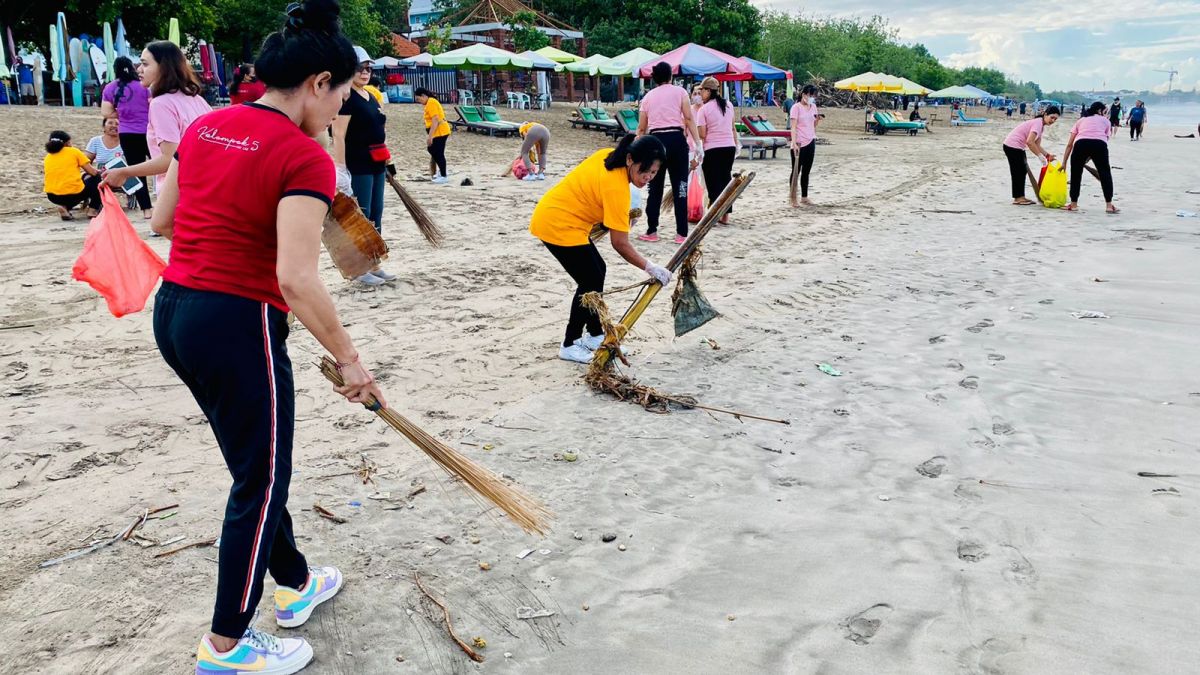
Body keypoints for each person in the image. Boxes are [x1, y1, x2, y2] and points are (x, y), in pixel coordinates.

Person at [150, 2, 382, 672]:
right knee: (262, 476)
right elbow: (297, 279)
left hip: (175, 312)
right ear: (317, 83)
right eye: (341, 95)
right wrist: (351, 361)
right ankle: (225, 645)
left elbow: (165, 219)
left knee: (256, 466)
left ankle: (297, 581)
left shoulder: (208, 124)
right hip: (236, 321)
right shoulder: (304, 157)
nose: (340, 109)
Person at [530, 134, 673, 363]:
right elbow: (620, 244)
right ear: (629, 160)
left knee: (598, 271)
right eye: (644, 170)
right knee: (589, 280)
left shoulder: (607, 156)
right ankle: (570, 343)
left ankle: (595, 334)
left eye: (654, 173)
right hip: (557, 223)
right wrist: (651, 267)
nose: (648, 177)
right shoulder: (618, 189)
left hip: (565, 218)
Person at [104, 41, 212, 212]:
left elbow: (170, 159)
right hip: (205, 186)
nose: (139, 69)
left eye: (145, 64)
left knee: (162, 226)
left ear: (164, 67)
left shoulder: (161, 103)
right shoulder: (195, 98)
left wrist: (124, 172)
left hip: (181, 189)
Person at [636, 61, 702, 244]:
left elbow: (641, 128)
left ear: (654, 78)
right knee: (680, 188)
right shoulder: (680, 92)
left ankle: (652, 231)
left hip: (656, 142)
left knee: (655, 188)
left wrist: (638, 148)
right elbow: (688, 118)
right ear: (670, 76)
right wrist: (698, 143)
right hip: (677, 140)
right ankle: (681, 233)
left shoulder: (648, 97)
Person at [100, 55, 154, 219]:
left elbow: (106, 112)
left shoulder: (110, 88)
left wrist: (122, 114)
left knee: (136, 171)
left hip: (127, 133)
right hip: (149, 131)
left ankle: (146, 210)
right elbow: (154, 106)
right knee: (164, 166)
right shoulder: (144, 86)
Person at [1060, 101, 1117, 214]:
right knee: (1105, 174)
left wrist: (1064, 162)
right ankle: (1109, 205)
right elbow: (1105, 139)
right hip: (1100, 145)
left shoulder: (1081, 120)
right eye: (1105, 111)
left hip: (1081, 144)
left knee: (1076, 174)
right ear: (1100, 110)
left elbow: (1070, 144)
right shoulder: (1106, 121)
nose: (1106, 114)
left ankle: (1073, 204)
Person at [695, 76, 737, 225]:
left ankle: (716, 214)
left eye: (701, 91)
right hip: (729, 147)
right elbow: (732, 127)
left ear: (708, 91)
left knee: (713, 183)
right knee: (726, 180)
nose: (700, 95)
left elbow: (702, 134)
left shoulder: (704, 109)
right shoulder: (729, 105)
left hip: (713, 148)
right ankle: (725, 216)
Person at [1001, 105, 1060, 205]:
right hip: (1012, 146)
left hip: (1017, 147)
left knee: (1022, 170)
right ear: (1045, 114)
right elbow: (1030, 142)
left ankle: (1021, 196)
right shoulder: (1038, 123)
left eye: (1055, 119)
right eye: (1052, 117)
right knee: (1018, 171)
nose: (1053, 120)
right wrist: (1040, 156)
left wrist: (1047, 155)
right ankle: (1018, 198)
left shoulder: (1041, 126)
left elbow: (1037, 145)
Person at [43, 130, 101, 219]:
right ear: (66, 143)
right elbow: (92, 172)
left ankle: (65, 208)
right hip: (73, 193)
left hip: (52, 195)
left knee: (71, 189)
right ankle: (93, 209)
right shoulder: (74, 151)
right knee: (96, 178)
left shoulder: (48, 156)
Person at [789, 84, 820, 207]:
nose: (812, 98)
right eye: (810, 95)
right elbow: (793, 126)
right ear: (804, 95)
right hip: (799, 142)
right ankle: (793, 198)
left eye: (813, 96)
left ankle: (804, 197)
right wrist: (794, 142)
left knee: (806, 171)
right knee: (796, 171)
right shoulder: (796, 107)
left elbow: (813, 125)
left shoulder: (813, 107)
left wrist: (817, 120)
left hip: (811, 139)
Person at [414, 87, 451, 185]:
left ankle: (443, 175)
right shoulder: (429, 103)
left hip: (440, 132)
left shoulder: (431, 103)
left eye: (419, 99)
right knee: (436, 151)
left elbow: (435, 120)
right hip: (439, 131)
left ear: (423, 96)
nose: (419, 102)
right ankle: (442, 171)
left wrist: (430, 136)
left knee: (436, 151)